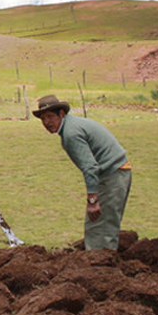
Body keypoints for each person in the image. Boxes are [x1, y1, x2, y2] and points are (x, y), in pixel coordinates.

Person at [33, 95, 132, 251]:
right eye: (43, 119)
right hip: (118, 170)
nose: (47, 123)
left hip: (112, 174)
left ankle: (99, 268)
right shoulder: (73, 125)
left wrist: (92, 200)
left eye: (51, 117)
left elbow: (90, 167)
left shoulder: (71, 133)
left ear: (62, 114)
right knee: (105, 223)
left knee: (98, 226)